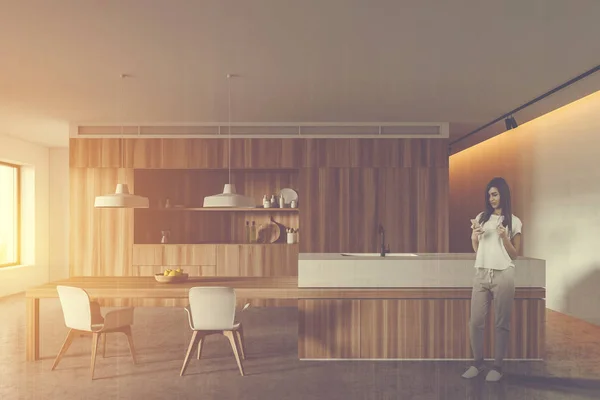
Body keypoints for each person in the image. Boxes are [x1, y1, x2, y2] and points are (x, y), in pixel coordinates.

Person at [461, 177, 522, 382]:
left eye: (494, 194)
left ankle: (497, 366)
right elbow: (478, 250)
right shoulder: (481, 217)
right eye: (489, 195)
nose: (491, 198)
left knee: (501, 323)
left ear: (503, 194)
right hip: (481, 273)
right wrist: (474, 236)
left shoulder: (514, 221)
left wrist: (505, 237)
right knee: (475, 322)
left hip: (503, 274)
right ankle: (478, 363)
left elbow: (514, 254)